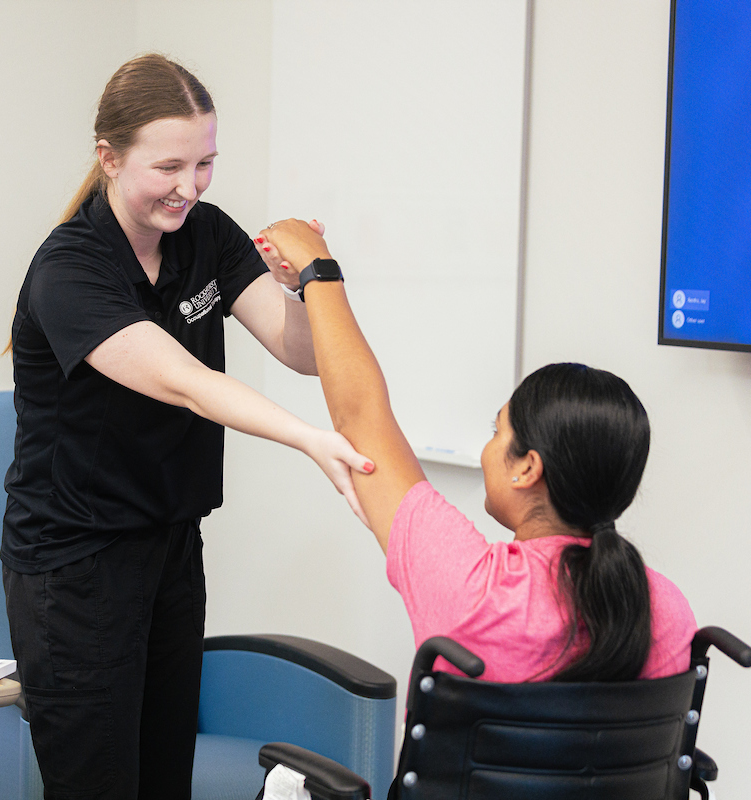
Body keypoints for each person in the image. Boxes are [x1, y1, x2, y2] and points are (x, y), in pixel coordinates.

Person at [0, 55, 371, 800]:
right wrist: (310, 440)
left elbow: (300, 350)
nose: (189, 186)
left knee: (164, 781)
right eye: (168, 166)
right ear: (108, 157)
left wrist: (315, 282)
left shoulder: (205, 235)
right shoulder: (69, 269)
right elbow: (190, 384)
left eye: (204, 164)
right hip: (77, 566)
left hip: (171, 544)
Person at [258, 218, 696, 683]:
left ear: (528, 468)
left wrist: (318, 269)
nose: (489, 447)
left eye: (497, 431)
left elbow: (361, 416)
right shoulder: (665, 610)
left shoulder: (472, 584)